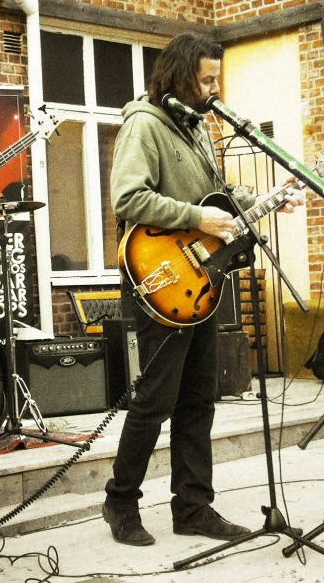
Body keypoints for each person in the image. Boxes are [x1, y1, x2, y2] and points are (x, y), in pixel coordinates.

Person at [104, 34, 303, 546]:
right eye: (207, 79)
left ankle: (193, 507)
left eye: (217, 78)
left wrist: (264, 198)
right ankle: (120, 502)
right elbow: (128, 197)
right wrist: (196, 218)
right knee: (155, 399)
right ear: (180, 76)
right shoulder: (144, 125)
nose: (215, 89)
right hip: (160, 279)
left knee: (199, 399)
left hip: (202, 281)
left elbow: (217, 196)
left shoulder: (197, 128)